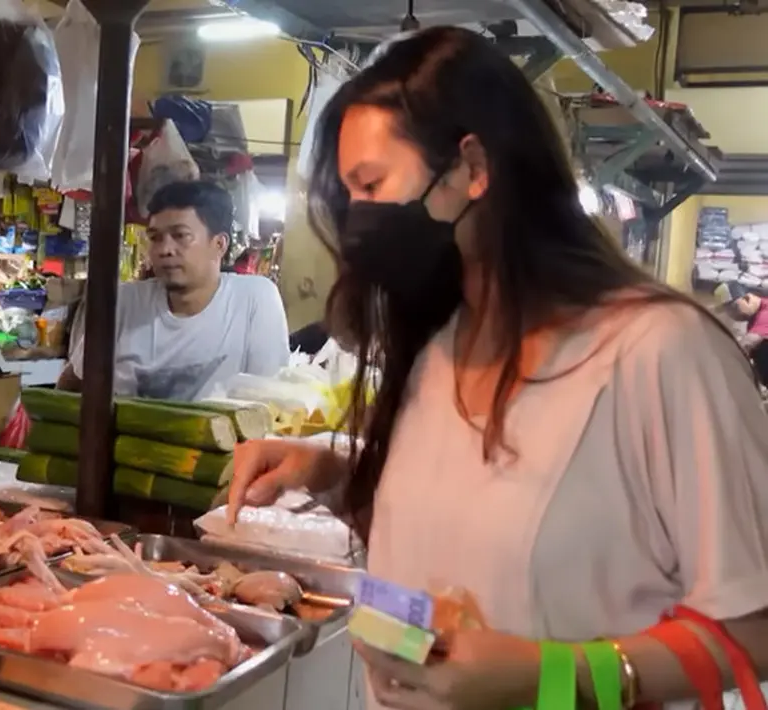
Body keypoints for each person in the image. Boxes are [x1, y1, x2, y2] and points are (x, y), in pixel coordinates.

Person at [227, 26, 768, 710]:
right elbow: (492, 509)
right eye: (348, 195)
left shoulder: (656, 352)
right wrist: (335, 468)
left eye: (372, 184)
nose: (359, 217)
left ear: (471, 168)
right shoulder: (438, 343)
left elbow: (749, 631)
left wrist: (553, 677)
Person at [59, 180, 290, 401]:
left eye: (180, 236)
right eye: (155, 238)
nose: (165, 249)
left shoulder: (254, 299)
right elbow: (71, 384)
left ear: (219, 244)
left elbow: (268, 401)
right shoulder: (124, 303)